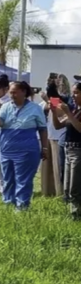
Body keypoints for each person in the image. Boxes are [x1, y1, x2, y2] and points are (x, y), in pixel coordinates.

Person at [0, 80, 51, 212]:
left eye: (14, 92)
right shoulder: (6, 106)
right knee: (8, 178)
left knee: (23, 179)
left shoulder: (35, 108)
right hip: (7, 148)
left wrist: (44, 148)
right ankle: (8, 203)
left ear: (23, 92)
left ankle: (22, 206)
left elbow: (43, 129)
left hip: (27, 149)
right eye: (10, 92)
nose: (11, 95)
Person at [50, 81, 81, 220]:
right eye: (73, 92)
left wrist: (68, 113)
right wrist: (53, 112)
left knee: (75, 186)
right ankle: (71, 212)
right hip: (68, 149)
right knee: (67, 186)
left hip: (78, 151)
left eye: (76, 93)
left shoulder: (73, 111)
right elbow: (57, 126)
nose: (73, 96)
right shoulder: (74, 109)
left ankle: (76, 214)